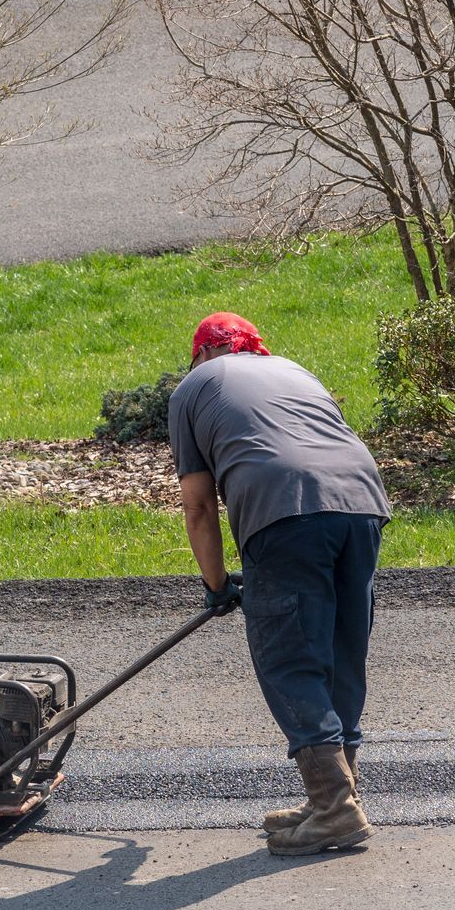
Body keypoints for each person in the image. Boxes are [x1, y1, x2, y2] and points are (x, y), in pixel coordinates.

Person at [167, 311, 392, 856]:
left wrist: (217, 584)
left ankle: (334, 809)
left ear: (200, 354)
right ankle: (334, 798)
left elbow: (198, 507)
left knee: (289, 659)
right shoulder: (297, 371)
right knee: (338, 654)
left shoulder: (192, 388)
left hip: (284, 510)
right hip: (363, 505)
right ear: (255, 348)